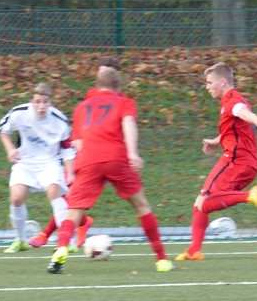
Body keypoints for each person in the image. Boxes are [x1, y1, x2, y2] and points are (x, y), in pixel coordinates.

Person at [48, 68, 173, 273]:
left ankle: (61, 249)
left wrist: (90, 163)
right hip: (116, 157)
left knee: (74, 211)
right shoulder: (124, 103)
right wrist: (132, 153)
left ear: (97, 86)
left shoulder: (82, 107)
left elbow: (77, 142)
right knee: (141, 206)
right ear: (118, 87)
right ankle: (162, 259)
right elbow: (128, 123)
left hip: (88, 158)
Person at [176, 62, 257, 262]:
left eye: (209, 82)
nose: (207, 87)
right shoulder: (233, 100)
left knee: (204, 202)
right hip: (248, 164)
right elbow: (235, 126)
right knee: (201, 203)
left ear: (222, 82)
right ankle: (194, 250)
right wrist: (216, 140)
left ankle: (248, 196)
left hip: (235, 161)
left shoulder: (232, 101)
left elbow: (241, 111)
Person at [27, 56, 122, 249]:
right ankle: (78, 224)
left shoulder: (121, 101)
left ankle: (50, 233)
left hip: (102, 155)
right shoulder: (92, 94)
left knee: (71, 197)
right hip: (82, 152)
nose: (100, 75)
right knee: (65, 193)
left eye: (105, 72)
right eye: (99, 71)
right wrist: (76, 142)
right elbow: (84, 121)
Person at [0, 83, 77, 253]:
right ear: (31, 102)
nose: (42, 106)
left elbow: (67, 149)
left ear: (50, 102)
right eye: (38, 102)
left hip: (50, 162)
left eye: (45, 102)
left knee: (53, 192)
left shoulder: (59, 120)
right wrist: (10, 149)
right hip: (25, 162)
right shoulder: (19, 113)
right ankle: (20, 240)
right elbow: (4, 131)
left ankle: (67, 240)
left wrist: (70, 173)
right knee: (16, 199)